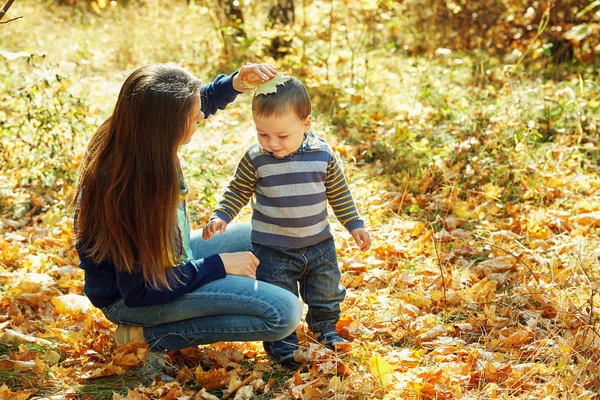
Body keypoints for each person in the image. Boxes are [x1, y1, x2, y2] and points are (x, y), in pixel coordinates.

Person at [72, 63, 303, 379]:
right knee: (283, 313)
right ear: (167, 125)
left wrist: (234, 84)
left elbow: (197, 102)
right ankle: (146, 337)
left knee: (267, 234)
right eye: (193, 117)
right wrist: (218, 265)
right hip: (133, 298)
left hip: (166, 260)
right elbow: (140, 291)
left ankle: (279, 346)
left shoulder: (134, 131)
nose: (200, 117)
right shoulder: (136, 190)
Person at [202, 75, 371, 369]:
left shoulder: (322, 154)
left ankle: (326, 331)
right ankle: (283, 346)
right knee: (280, 295)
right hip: (272, 249)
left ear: (305, 124)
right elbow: (237, 190)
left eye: (282, 136)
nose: (272, 144)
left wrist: (354, 224)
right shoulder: (256, 158)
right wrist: (221, 215)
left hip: (319, 244)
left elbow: (339, 192)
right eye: (263, 134)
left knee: (326, 293)